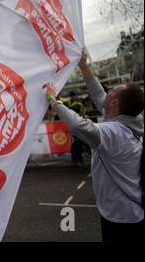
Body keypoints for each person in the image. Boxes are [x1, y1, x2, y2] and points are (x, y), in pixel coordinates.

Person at [43, 48, 144, 242]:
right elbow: (99, 94)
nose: (108, 90)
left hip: (122, 219)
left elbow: (79, 126)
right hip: (130, 212)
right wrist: (83, 64)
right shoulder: (130, 119)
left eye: (113, 90)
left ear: (114, 102)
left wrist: (52, 100)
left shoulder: (115, 134)